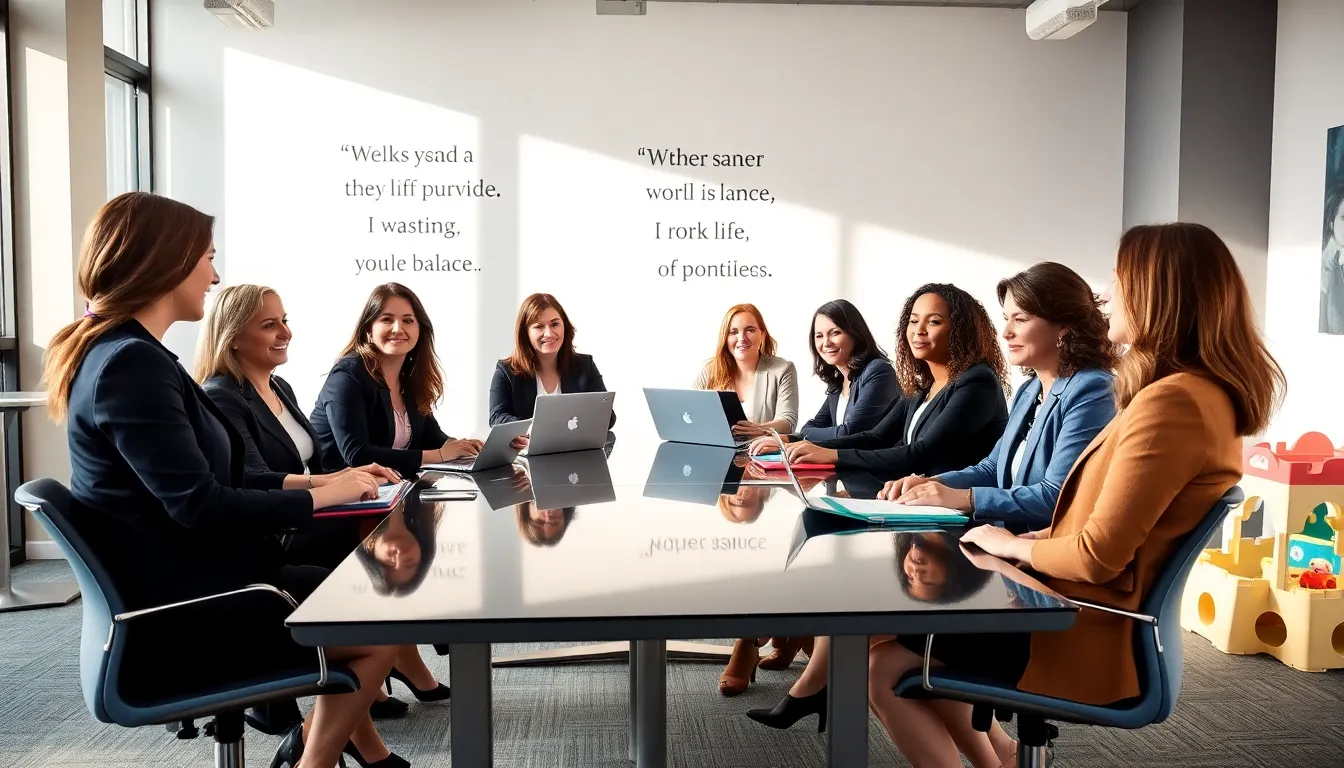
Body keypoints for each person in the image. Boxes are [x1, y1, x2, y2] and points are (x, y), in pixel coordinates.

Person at [867, 223, 1285, 768]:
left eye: (1118, 280)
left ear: (1157, 293)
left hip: (1082, 624)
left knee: (882, 664)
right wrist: (984, 525)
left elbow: (1095, 554)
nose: (1105, 296)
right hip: (1071, 604)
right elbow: (1087, 518)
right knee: (885, 635)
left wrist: (1008, 545)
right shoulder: (1188, 394)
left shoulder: (1171, 403)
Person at [44, 192, 407, 768]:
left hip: (202, 581)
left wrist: (322, 485)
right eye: (207, 258)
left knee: (363, 594)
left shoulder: (133, 355)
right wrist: (318, 501)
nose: (215, 276)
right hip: (189, 609)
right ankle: (312, 760)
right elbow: (199, 504)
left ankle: (331, 750)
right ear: (166, 262)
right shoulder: (131, 365)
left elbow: (224, 478)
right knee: (382, 619)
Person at [197, 284, 451, 724]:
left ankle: (384, 667)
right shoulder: (222, 394)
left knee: (399, 527)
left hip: (308, 515)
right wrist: (334, 483)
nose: (286, 333)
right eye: (270, 325)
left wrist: (347, 480)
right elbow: (252, 478)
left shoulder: (279, 387)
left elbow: (315, 463)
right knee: (385, 549)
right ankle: (384, 661)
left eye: (284, 322)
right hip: (277, 531)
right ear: (233, 335)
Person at [883, 262, 1120, 532]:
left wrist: (964, 498)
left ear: (1063, 327)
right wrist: (932, 483)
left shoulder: (1092, 389)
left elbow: (1057, 495)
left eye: (1020, 319)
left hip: (1042, 549)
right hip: (1003, 540)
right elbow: (992, 468)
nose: (1006, 332)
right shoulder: (1029, 391)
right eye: (1007, 318)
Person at [750, 284, 1009, 483]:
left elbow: (922, 453)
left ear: (960, 331)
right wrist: (792, 443)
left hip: (960, 513)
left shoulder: (978, 381)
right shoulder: (923, 387)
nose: (918, 330)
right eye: (913, 321)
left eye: (933, 321)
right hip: (915, 499)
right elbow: (877, 437)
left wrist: (832, 454)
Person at [310, 282, 482, 480]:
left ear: (420, 329)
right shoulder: (348, 374)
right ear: (368, 330)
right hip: (340, 489)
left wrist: (461, 447)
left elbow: (429, 434)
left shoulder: (409, 376)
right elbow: (357, 454)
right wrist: (440, 455)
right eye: (386, 320)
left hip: (390, 486)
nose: (398, 328)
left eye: (408, 320)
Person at [488, 293, 616, 435]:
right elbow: (496, 418)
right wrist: (530, 427)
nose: (549, 334)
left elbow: (609, 417)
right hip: (528, 447)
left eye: (555, 324)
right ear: (525, 333)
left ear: (564, 326)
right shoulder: (506, 371)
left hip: (576, 446)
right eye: (539, 327)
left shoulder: (585, 366)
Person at [793, 299, 900, 441]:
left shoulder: (879, 371)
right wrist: (788, 438)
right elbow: (817, 424)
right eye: (819, 336)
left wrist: (805, 433)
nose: (826, 343)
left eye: (835, 333)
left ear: (855, 333)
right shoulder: (839, 380)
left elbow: (849, 433)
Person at [693, 303, 799, 440]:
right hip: (716, 448)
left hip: (760, 450)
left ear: (762, 335)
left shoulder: (782, 369)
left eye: (750, 330)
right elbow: (690, 410)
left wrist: (761, 429)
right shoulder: (710, 370)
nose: (742, 338)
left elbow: (788, 422)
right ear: (725, 338)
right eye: (733, 332)